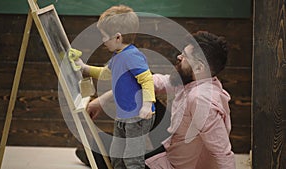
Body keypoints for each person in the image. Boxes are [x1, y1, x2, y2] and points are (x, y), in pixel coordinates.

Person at [76, 31, 236, 169]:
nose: (179, 57)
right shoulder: (193, 80)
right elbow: (156, 82)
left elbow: (222, 151)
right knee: (143, 85)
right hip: (176, 145)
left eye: (185, 56)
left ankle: (94, 153)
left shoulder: (202, 100)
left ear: (199, 68)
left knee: (102, 150)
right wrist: (103, 99)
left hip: (177, 165)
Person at [74, 5, 156, 169]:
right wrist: (84, 68)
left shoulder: (133, 56)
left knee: (132, 159)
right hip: (123, 116)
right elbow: (106, 73)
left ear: (118, 37)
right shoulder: (118, 56)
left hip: (137, 117)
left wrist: (147, 105)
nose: (103, 40)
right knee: (117, 154)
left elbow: (147, 79)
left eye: (104, 36)